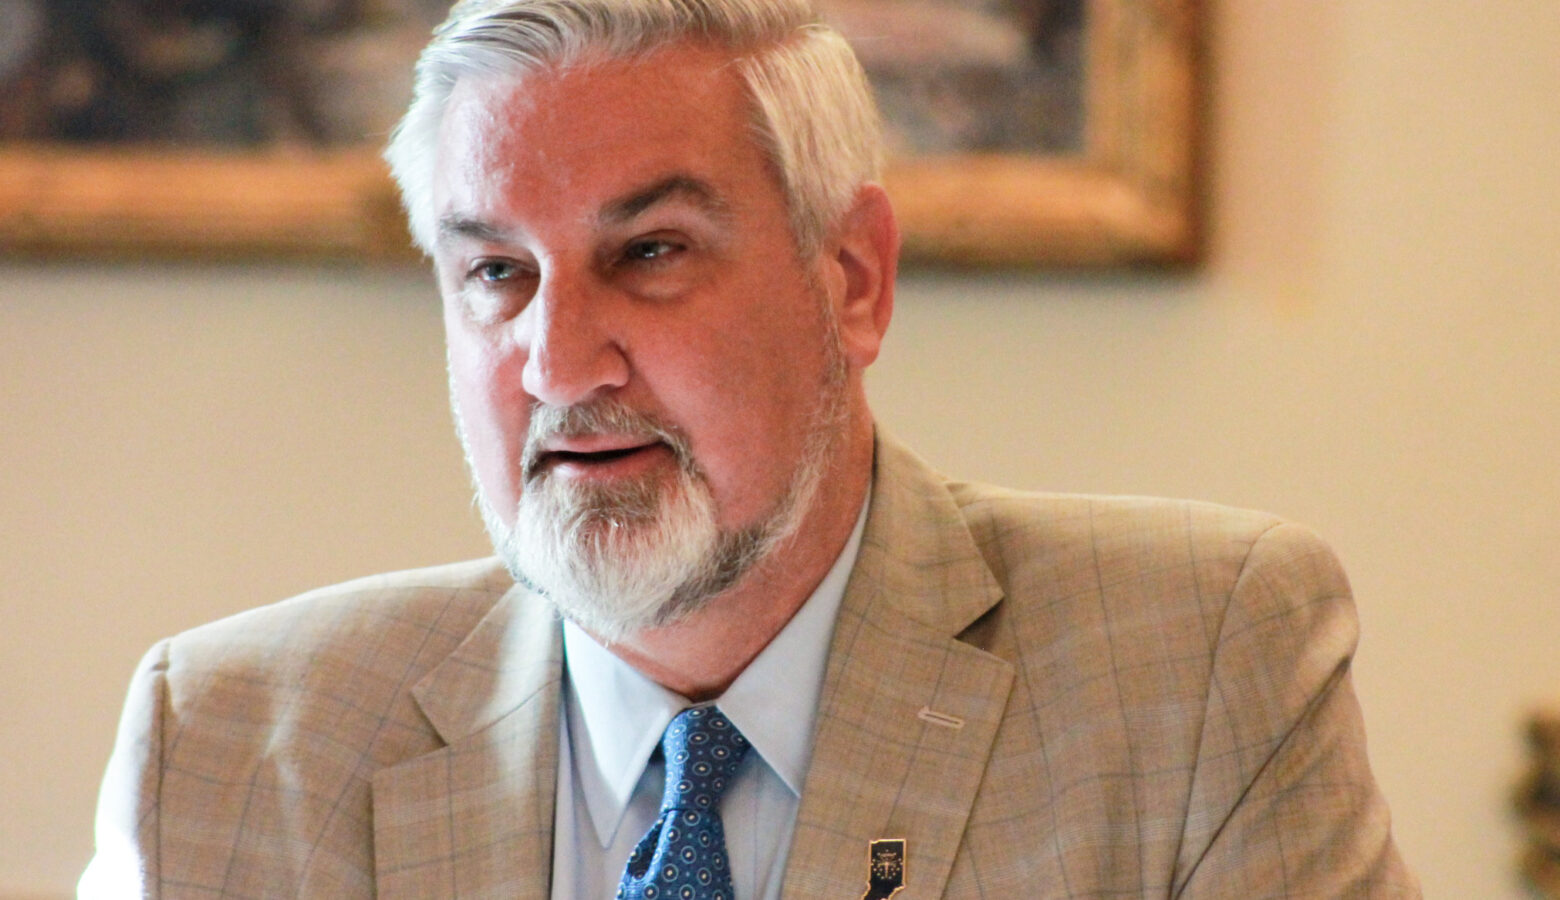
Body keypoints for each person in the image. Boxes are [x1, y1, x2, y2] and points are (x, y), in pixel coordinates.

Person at [81, 0, 1419, 896]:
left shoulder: (1196, 668)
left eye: (650, 253)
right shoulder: (228, 745)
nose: (557, 363)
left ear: (852, 280)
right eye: (495, 272)